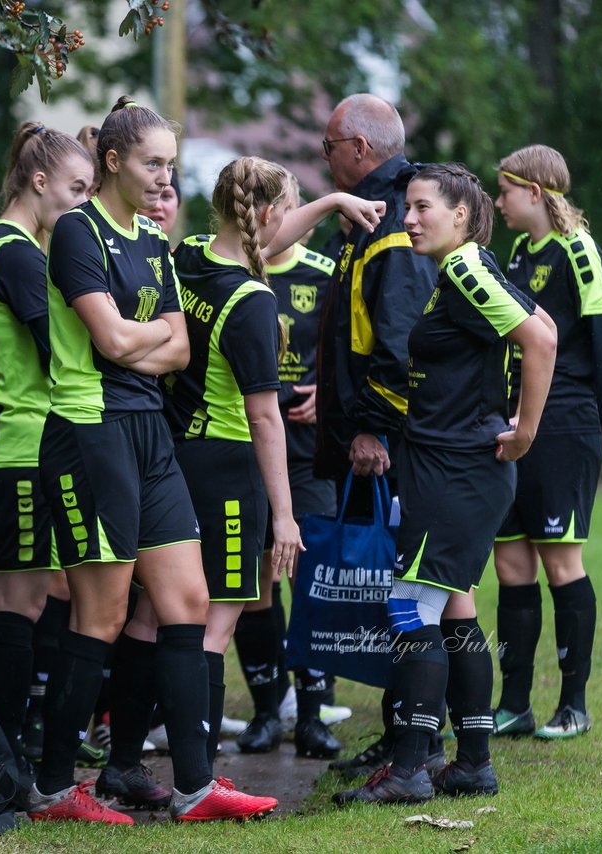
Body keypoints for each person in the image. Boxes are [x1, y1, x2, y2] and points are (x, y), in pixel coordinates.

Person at [27, 95, 278, 824]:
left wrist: (141, 343)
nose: (165, 178)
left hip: (149, 435)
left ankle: (196, 787)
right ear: (112, 161)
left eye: (171, 163)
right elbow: (110, 341)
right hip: (88, 433)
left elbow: (179, 349)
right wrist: (143, 342)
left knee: (188, 605)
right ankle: (51, 787)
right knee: (102, 616)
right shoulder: (77, 232)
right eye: (152, 163)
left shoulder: (149, 242)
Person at [96, 159, 383, 793]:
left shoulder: (192, 254)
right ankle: (198, 775)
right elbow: (266, 418)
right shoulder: (253, 301)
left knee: (150, 616)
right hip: (227, 468)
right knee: (215, 624)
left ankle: (122, 765)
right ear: (268, 215)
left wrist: (333, 201)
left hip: (169, 458)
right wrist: (283, 515)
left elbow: (262, 240)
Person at [333, 163, 557, 805]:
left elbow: (541, 340)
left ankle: (408, 770)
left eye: (422, 206)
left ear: (461, 214)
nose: (408, 219)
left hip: (456, 469)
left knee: (409, 607)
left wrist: (524, 432)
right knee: (450, 604)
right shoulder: (473, 267)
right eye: (406, 207)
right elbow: (544, 332)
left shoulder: (464, 268)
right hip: (453, 466)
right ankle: (473, 763)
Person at [313, 93, 444, 779]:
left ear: (361, 148)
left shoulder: (395, 220)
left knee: (406, 595)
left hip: (390, 443)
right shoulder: (370, 212)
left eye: (329, 145)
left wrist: (370, 428)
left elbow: (396, 341)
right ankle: (401, 735)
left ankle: (421, 744)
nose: (323, 155)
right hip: (366, 437)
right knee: (391, 592)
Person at [490, 145, 602, 739]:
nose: (497, 202)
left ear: (533, 192)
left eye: (503, 191)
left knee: (560, 561)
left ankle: (573, 706)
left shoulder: (578, 250)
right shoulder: (517, 252)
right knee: (510, 562)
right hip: (515, 421)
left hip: (566, 422)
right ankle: (515, 704)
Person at [0, 121, 93, 770]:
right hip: (19, 445)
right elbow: (64, 349)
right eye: (77, 188)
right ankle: (0, 760)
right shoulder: (16, 252)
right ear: (39, 182)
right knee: (20, 603)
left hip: (7, 442)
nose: (82, 203)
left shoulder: (7, 245)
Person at [230, 176, 345, 758]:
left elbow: (352, 355)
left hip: (308, 454)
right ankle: (266, 711)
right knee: (254, 585)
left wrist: (329, 391)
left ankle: (314, 715)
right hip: (247, 447)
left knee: (313, 579)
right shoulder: (237, 268)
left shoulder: (324, 275)